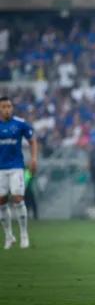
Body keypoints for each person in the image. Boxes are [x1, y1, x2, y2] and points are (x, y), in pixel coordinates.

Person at [0, 96, 37, 249]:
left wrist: (34, 159)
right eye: (3, 106)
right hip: (0, 169)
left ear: (12, 108)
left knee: (17, 198)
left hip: (16, 167)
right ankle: (9, 236)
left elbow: (32, 140)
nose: (7, 109)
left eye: (9, 106)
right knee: (1, 201)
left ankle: (23, 234)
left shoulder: (20, 124)